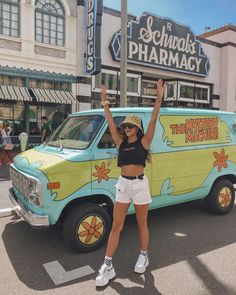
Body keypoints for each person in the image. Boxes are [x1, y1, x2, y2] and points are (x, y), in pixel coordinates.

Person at [95, 80, 164, 287]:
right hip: (123, 185)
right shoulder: (120, 142)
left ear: (137, 128)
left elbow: (153, 119)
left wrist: (159, 97)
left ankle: (144, 255)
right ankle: (108, 265)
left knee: (142, 223)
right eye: (125, 126)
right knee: (117, 226)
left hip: (140, 185)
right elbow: (109, 122)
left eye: (130, 126)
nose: (126, 128)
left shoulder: (144, 142)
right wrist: (105, 101)